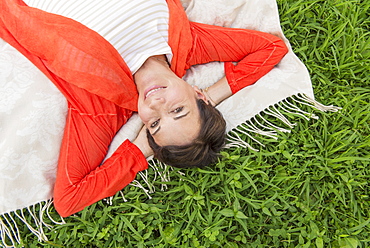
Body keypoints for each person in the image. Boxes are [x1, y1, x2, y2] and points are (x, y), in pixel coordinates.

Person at [0, 0, 288, 217]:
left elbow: (69, 199)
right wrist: (214, 93)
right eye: (178, 110)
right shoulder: (190, 44)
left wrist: (139, 150)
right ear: (197, 94)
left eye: (154, 124)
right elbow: (272, 49)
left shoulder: (101, 106)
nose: (155, 105)